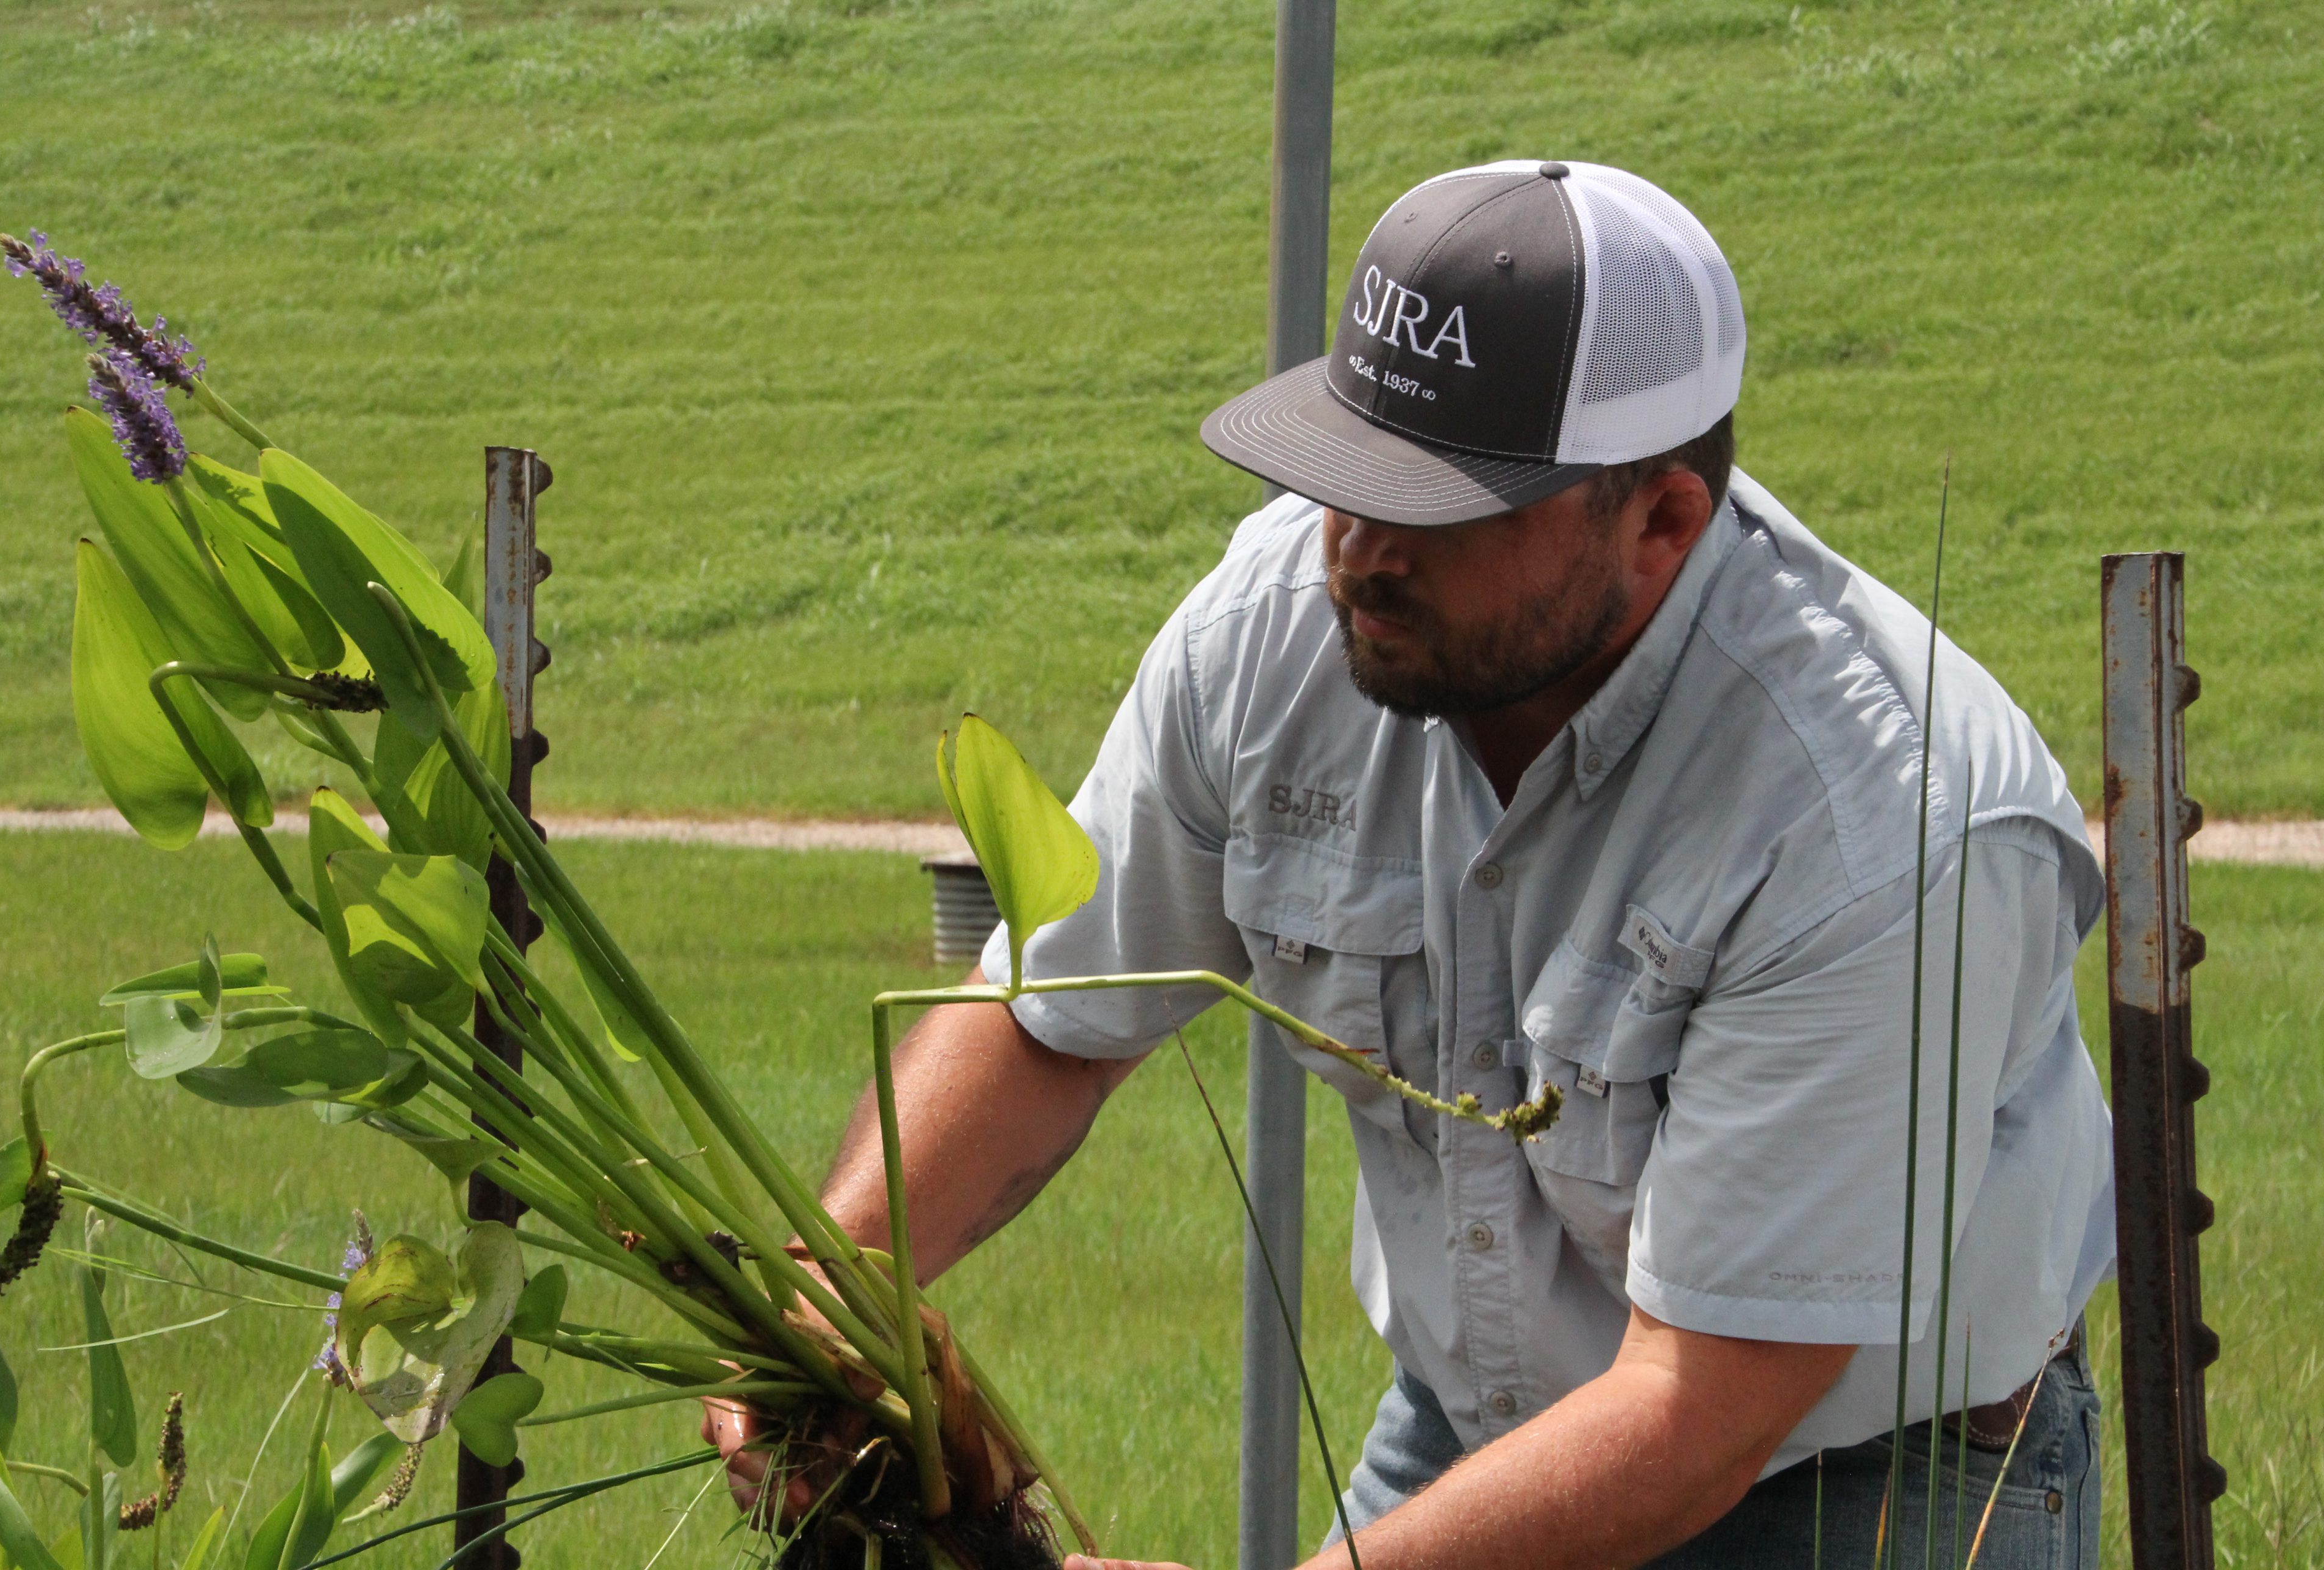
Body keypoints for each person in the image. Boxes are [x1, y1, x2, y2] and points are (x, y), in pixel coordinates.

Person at [705, 160, 2115, 1569]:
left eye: (1438, 505)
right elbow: (1051, 1016)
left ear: (1660, 523)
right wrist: (837, 1283)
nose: (1358, 551)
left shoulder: (1877, 822)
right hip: (1477, 1433)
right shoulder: (1275, 630)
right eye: (1342, 472)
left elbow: (1702, 1405)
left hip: (1853, 1478)